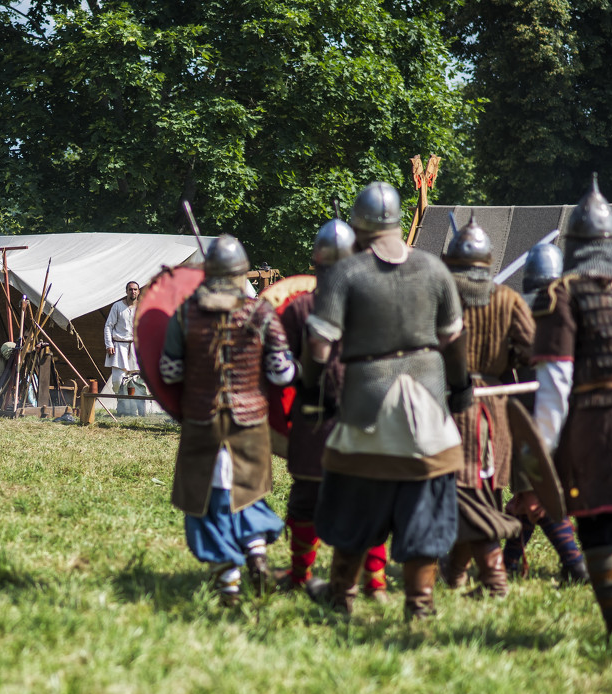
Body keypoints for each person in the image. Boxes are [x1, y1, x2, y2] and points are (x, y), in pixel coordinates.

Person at [307, 181, 469, 620]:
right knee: (426, 500)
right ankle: (419, 606)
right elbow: (453, 340)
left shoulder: (347, 272)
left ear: (358, 227)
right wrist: (461, 389)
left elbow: (320, 344)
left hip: (366, 403)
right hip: (429, 403)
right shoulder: (434, 268)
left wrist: (311, 395)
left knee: (353, 498)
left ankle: (341, 596)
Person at [531, 176, 612, 646]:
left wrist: (541, 447)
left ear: (574, 245)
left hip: (598, 426)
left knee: (598, 522)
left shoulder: (563, 294)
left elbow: (556, 382)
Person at [159, 234, 297, 605]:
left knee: (210, 501)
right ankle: (257, 553)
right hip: (250, 420)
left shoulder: (186, 313)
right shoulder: (261, 313)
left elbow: (169, 372)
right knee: (246, 493)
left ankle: (230, 588)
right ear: (241, 273)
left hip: (203, 419)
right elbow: (283, 373)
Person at [279, 214, 391, 603]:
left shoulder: (300, 308)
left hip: (315, 419)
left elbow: (282, 370)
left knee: (308, 499)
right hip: (364, 417)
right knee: (366, 500)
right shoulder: (374, 304)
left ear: (316, 261)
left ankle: (299, 576)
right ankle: (376, 583)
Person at [434, 215, 535, 598]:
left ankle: (494, 581)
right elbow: (531, 354)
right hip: (494, 412)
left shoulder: (440, 294)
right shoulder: (508, 299)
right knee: (479, 494)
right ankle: (455, 572)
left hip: (448, 405)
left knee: (467, 496)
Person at [500, 243, 588, 583]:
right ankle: (508, 562)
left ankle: (575, 562)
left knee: (536, 494)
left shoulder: (514, 309)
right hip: (561, 412)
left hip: (526, 416)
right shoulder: (568, 308)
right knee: (533, 493)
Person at [104, 281, 144, 416]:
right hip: (119, 346)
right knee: (117, 380)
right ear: (126, 291)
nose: (133, 292)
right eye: (130, 289)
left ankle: (133, 411)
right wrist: (109, 344)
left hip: (135, 347)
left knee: (135, 379)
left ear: (138, 292)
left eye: (135, 290)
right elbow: (108, 326)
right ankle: (122, 407)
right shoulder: (117, 306)